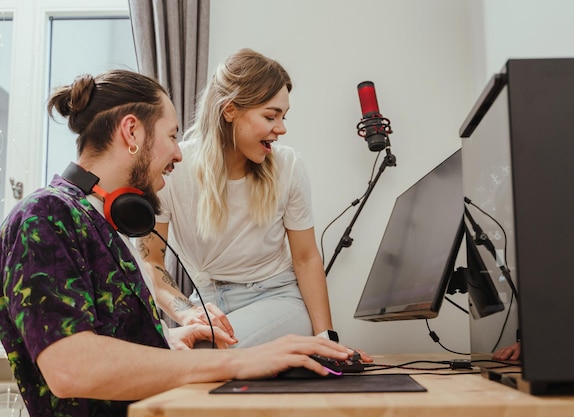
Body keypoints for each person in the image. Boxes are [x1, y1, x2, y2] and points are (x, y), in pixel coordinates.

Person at [0, 69, 355, 417]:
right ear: (131, 131)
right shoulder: (44, 215)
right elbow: (70, 369)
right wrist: (238, 360)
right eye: (171, 136)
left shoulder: (100, 224)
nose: (179, 153)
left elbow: (105, 340)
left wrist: (168, 340)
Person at [138, 48, 368, 356]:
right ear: (230, 110)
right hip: (204, 301)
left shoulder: (288, 166)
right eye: (270, 116)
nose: (282, 128)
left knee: (195, 358)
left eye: (283, 117)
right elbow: (150, 260)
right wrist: (187, 312)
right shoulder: (173, 167)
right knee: (151, 353)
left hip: (275, 300)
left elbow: (306, 258)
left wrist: (326, 339)